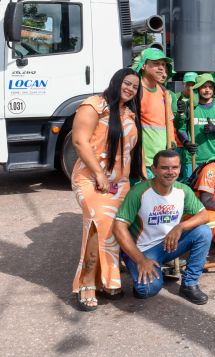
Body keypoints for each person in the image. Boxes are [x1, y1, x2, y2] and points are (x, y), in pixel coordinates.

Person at [71, 68, 144, 311]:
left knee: (114, 226)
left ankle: (109, 280)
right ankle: (87, 281)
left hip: (118, 184)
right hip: (90, 178)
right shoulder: (94, 105)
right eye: (127, 83)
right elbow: (80, 141)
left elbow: (133, 152)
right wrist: (100, 174)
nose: (130, 88)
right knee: (98, 219)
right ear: (116, 81)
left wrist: (143, 177)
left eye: (135, 86)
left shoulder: (130, 114)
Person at [114, 150, 212, 305]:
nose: (170, 172)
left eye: (175, 167)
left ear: (180, 168)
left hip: (169, 244)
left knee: (204, 232)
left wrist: (180, 227)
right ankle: (139, 269)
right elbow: (118, 228)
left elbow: (204, 215)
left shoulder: (183, 190)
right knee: (147, 290)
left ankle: (189, 284)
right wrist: (140, 260)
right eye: (165, 168)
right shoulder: (139, 192)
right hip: (143, 250)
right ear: (154, 169)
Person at [133, 47, 177, 175]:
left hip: (161, 161)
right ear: (143, 66)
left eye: (163, 64)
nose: (161, 68)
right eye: (156, 64)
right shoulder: (135, 91)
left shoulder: (164, 92)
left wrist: (172, 142)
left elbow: (168, 121)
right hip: (143, 162)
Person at [177, 73, 215, 167]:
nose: (207, 90)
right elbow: (181, 129)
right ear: (197, 89)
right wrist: (186, 143)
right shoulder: (189, 106)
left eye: (210, 87)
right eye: (204, 87)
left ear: (214, 89)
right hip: (193, 159)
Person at [172, 72, 198, 183]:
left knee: (189, 175)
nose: (190, 87)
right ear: (183, 84)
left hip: (190, 143)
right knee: (175, 173)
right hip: (177, 143)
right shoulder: (176, 97)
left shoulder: (198, 99)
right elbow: (174, 122)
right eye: (188, 84)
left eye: (193, 84)